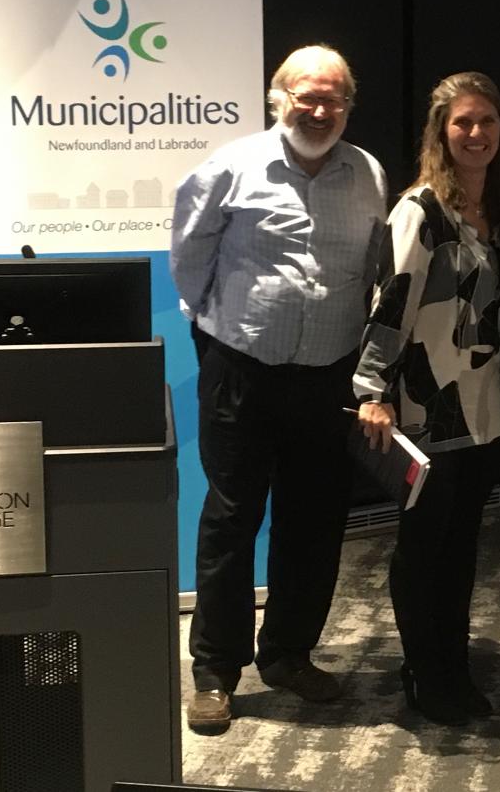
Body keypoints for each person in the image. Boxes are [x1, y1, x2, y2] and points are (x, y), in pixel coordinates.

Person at [171, 44, 388, 734]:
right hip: (241, 370)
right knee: (232, 519)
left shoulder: (368, 175)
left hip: (328, 377)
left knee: (314, 521)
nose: (319, 110)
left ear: (348, 107)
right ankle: (214, 670)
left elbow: (375, 269)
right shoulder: (230, 167)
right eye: (306, 96)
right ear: (278, 99)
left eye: (333, 99)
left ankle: (289, 654)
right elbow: (188, 259)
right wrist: (218, 337)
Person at [354, 72, 500, 726]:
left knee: (462, 548)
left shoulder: (495, 211)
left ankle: (449, 660)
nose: (475, 135)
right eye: (462, 123)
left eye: (487, 122)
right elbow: (389, 304)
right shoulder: (420, 211)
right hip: (425, 408)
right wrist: (371, 389)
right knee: (424, 550)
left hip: (481, 411)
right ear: (441, 132)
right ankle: (425, 670)